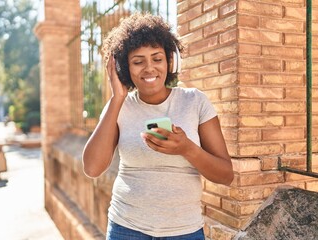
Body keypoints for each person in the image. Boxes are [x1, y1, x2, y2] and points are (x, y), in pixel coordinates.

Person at [82, 12, 234, 240]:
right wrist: (116, 98)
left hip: (184, 231)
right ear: (125, 66)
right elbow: (92, 168)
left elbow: (226, 175)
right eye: (137, 61)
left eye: (157, 58)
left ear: (169, 61)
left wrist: (187, 149)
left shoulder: (195, 101)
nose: (149, 68)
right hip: (126, 228)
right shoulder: (119, 106)